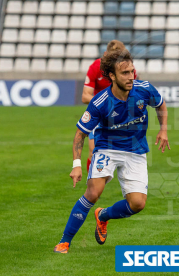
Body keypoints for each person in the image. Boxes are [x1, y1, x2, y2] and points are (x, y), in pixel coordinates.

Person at [54, 50, 170, 253]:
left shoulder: (144, 89)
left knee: (137, 204)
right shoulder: (100, 102)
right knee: (93, 193)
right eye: (125, 73)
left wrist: (163, 129)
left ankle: (103, 215)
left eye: (132, 71)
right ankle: (65, 241)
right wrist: (76, 165)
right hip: (107, 149)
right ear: (112, 76)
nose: (131, 76)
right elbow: (80, 135)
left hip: (135, 151)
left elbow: (160, 104)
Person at [82, 40, 138, 172]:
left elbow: (134, 94)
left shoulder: (128, 69)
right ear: (105, 55)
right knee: (93, 150)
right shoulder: (96, 67)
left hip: (122, 115)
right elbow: (85, 96)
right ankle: (93, 186)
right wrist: (106, 103)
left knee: (130, 152)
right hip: (99, 114)